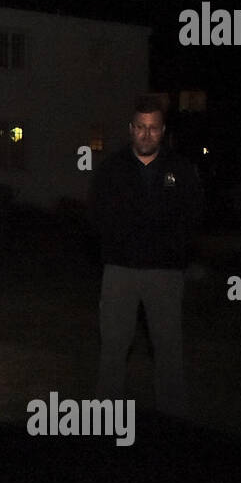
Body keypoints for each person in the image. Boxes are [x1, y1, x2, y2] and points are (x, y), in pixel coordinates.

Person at [89, 96, 203, 417]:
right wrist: (118, 244)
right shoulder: (112, 169)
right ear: (131, 129)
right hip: (120, 272)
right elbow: (97, 216)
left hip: (164, 274)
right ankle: (105, 417)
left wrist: (173, 250)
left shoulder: (179, 169)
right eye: (141, 127)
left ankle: (172, 416)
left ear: (162, 130)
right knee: (113, 346)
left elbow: (192, 216)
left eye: (153, 128)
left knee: (167, 347)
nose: (146, 134)